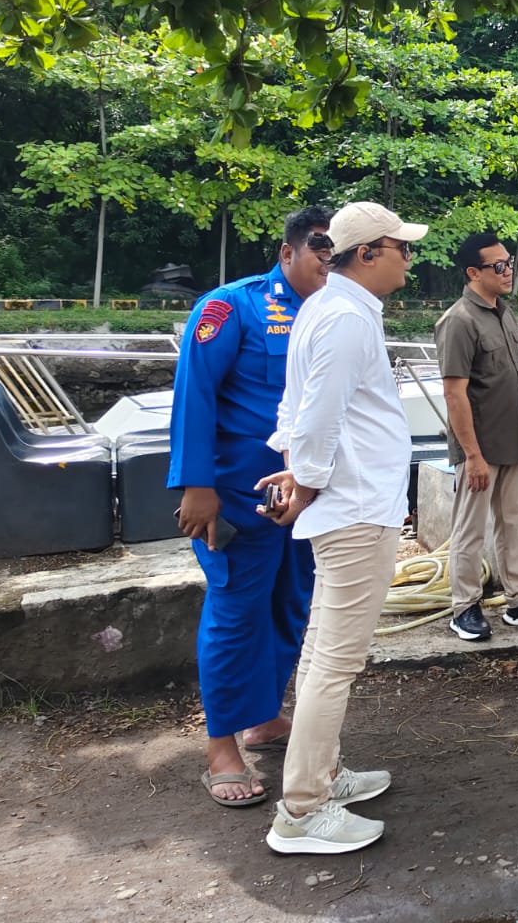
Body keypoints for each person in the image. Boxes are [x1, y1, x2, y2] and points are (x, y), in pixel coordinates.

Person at [256, 201, 429, 855]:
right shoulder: (344, 320)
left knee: (324, 651)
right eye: (399, 246)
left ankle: (320, 777)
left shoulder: (328, 311)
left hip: (353, 500)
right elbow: (318, 416)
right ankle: (301, 809)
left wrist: (300, 472)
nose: (408, 258)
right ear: (366, 254)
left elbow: (295, 407)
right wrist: (307, 481)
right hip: (353, 508)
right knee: (336, 659)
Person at [168, 206, 332, 807]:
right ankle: (221, 749)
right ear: (287, 252)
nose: (327, 263)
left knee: (292, 604)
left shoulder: (333, 310)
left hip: (305, 496)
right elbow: (195, 392)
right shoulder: (231, 306)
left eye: (336, 253)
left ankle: (263, 717)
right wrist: (195, 484)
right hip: (237, 496)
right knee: (236, 611)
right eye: (319, 250)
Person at [436, 232, 518, 642]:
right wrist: (472, 456)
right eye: (499, 266)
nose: (507, 270)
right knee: (469, 530)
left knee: (515, 525)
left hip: (513, 444)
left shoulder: (504, 313)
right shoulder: (459, 321)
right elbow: (454, 394)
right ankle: (465, 608)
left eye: (508, 262)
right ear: (473, 273)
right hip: (480, 449)